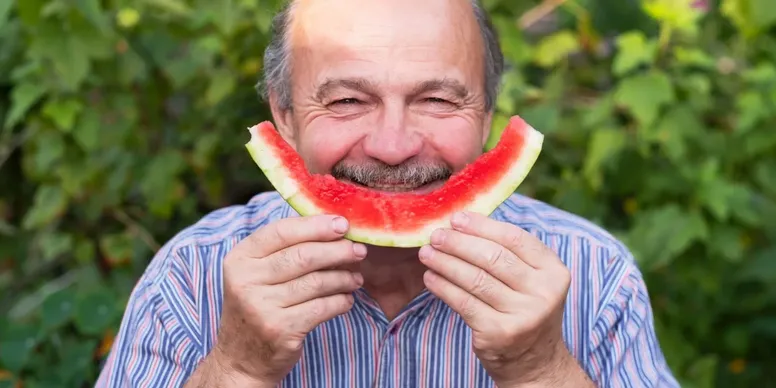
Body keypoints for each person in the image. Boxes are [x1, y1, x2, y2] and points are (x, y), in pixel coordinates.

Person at [96, 0, 680, 387]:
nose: (393, 145)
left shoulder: (594, 273)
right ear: (286, 116)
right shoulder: (191, 275)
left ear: (487, 118)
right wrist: (236, 366)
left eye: (438, 100)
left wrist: (542, 369)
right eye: (348, 100)